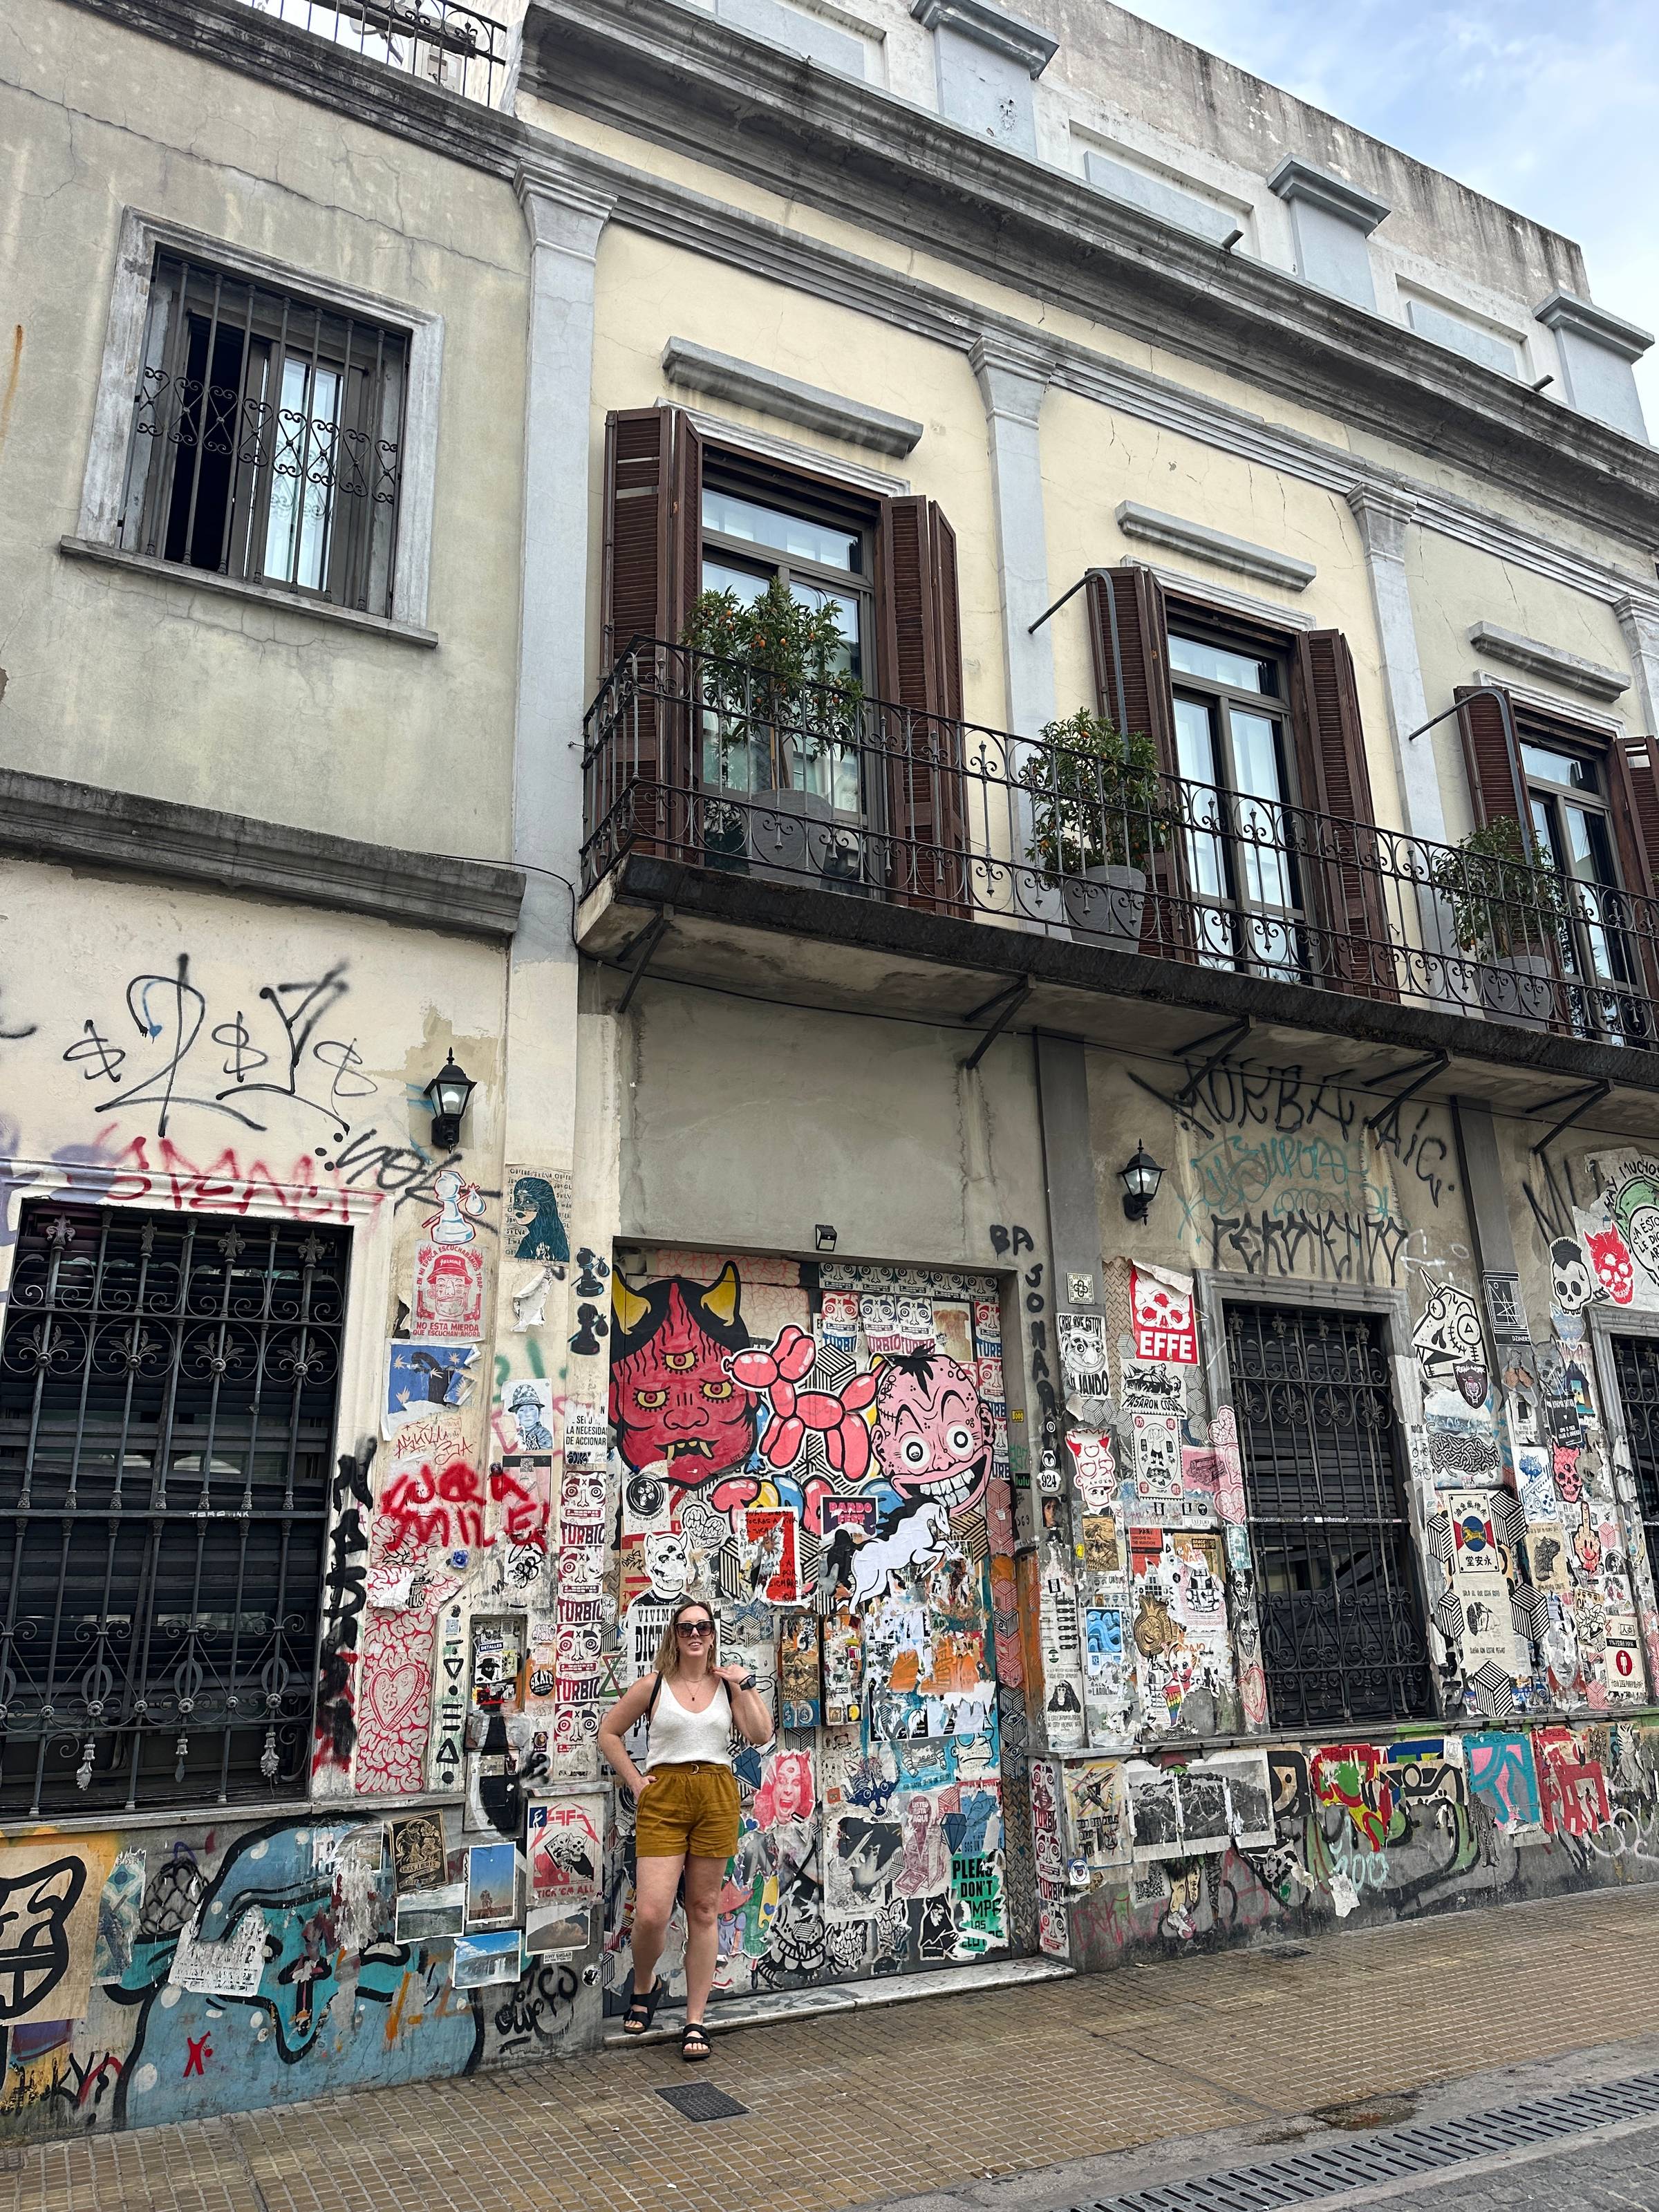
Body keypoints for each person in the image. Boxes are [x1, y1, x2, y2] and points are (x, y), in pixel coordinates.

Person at [597, 1595, 774, 2062]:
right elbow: (608, 1733)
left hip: (715, 1793)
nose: (694, 1634)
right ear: (674, 1637)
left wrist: (747, 1685)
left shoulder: (727, 1687)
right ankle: (645, 1983)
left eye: (702, 1627)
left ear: (713, 1635)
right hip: (665, 1797)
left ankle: (696, 2019)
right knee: (652, 1912)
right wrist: (636, 1782)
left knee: (703, 1909)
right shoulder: (653, 1685)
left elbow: (760, 1734)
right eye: (685, 1628)